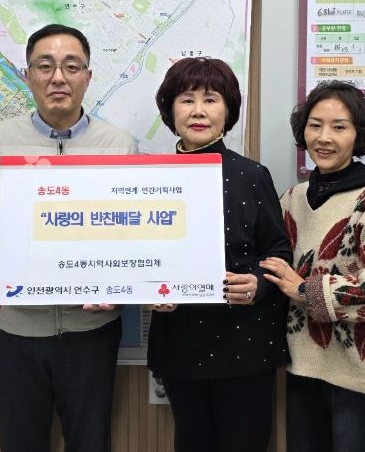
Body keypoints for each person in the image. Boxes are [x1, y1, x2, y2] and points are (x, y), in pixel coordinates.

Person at [0, 23, 137, 452]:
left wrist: (118, 283)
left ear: (88, 76)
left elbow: (131, 230)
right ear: (27, 75)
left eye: (71, 67)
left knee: (90, 442)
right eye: (45, 66)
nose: (58, 78)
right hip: (14, 327)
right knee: (21, 441)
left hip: (91, 328)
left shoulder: (118, 145)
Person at [261, 80, 365, 452]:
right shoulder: (293, 198)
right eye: (315, 125)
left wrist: (305, 290)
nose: (324, 137)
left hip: (359, 375)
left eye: (339, 127)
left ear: (358, 135)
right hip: (303, 365)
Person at [147, 57, 292, 452]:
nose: (198, 111)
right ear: (170, 110)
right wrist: (146, 289)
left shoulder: (252, 175)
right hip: (179, 341)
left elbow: (279, 250)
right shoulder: (149, 177)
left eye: (210, 99)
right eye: (186, 99)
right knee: (191, 442)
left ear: (228, 111)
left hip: (244, 342)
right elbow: (135, 252)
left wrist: (258, 284)